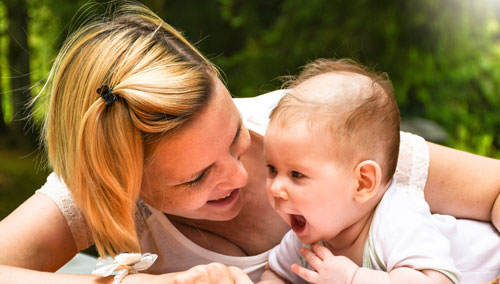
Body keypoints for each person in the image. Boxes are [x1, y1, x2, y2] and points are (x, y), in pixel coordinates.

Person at [0, 1, 499, 283]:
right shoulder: (99, 190)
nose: (243, 176)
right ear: (124, 187)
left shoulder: (313, 129)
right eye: (197, 176)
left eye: (236, 135)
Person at [260, 58, 500, 284]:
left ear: (363, 182)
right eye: (272, 169)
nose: (276, 188)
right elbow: (275, 272)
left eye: (296, 175)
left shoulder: (397, 222)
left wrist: (353, 278)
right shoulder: (305, 237)